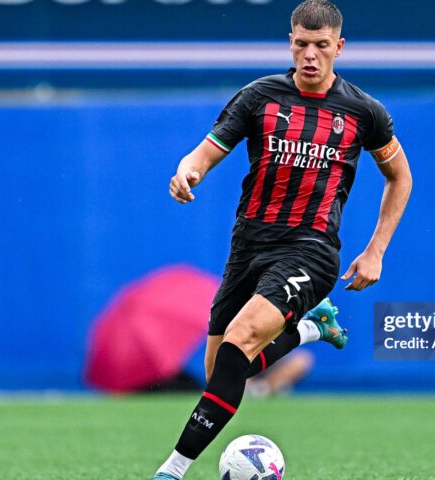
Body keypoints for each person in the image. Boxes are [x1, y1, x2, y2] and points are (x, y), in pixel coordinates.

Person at [156, 1, 412, 478]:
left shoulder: (364, 111)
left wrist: (375, 250)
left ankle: (171, 470)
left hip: (311, 250)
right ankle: (312, 329)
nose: (310, 55)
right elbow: (204, 152)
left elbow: (400, 176)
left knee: (240, 342)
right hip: (249, 245)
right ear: (290, 43)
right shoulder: (259, 97)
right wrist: (186, 172)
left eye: (321, 45)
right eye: (302, 44)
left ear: (339, 47)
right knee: (222, 372)